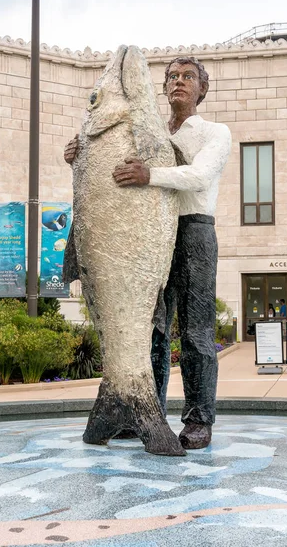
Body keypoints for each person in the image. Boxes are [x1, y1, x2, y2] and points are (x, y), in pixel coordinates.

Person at [64, 56, 231, 449]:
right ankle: (141, 411)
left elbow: (200, 176)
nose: (178, 82)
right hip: (149, 236)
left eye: (188, 77)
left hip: (192, 232)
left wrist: (150, 174)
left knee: (195, 332)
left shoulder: (214, 132)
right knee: (153, 330)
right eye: (172, 76)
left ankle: (198, 420)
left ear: (202, 88)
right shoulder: (148, 128)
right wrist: (81, 155)